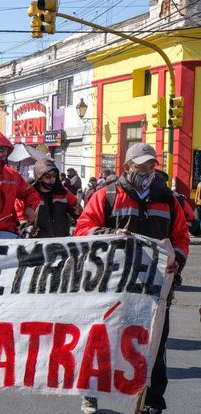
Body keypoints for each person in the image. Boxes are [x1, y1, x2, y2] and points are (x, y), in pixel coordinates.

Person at [74, 143, 189, 414]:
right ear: (126, 167)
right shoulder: (107, 196)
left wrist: (178, 260)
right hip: (111, 287)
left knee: (155, 348)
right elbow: (82, 230)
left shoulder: (168, 199)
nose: (147, 172)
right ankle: (90, 393)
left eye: (152, 167)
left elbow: (181, 238)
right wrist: (108, 234)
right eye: (141, 167)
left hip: (155, 289)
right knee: (101, 341)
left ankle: (151, 402)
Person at [19, 159, 81, 238]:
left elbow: (78, 212)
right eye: (47, 176)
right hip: (37, 244)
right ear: (39, 177)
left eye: (54, 176)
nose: (52, 180)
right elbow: (19, 218)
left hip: (61, 241)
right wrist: (26, 228)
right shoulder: (28, 195)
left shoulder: (63, 192)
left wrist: (76, 212)